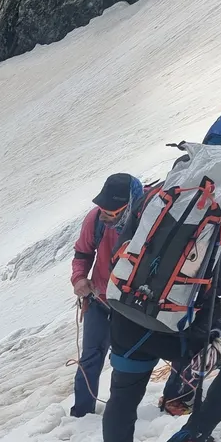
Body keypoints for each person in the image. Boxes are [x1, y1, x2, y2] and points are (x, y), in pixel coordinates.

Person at [102, 106, 221, 442]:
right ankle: (193, 434)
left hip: (127, 317)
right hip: (186, 329)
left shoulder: (161, 192)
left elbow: (125, 250)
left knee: (123, 393)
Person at [69, 172, 143, 417]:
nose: (104, 215)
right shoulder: (96, 221)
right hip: (99, 302)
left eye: (111, 212)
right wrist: (79, 278)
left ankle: (119, 413)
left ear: (129, 206)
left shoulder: (148, 224)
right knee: (91, 359)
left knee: (125, 362)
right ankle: (81, 415)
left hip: (133, 309)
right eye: (102, 209)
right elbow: (83, 253)